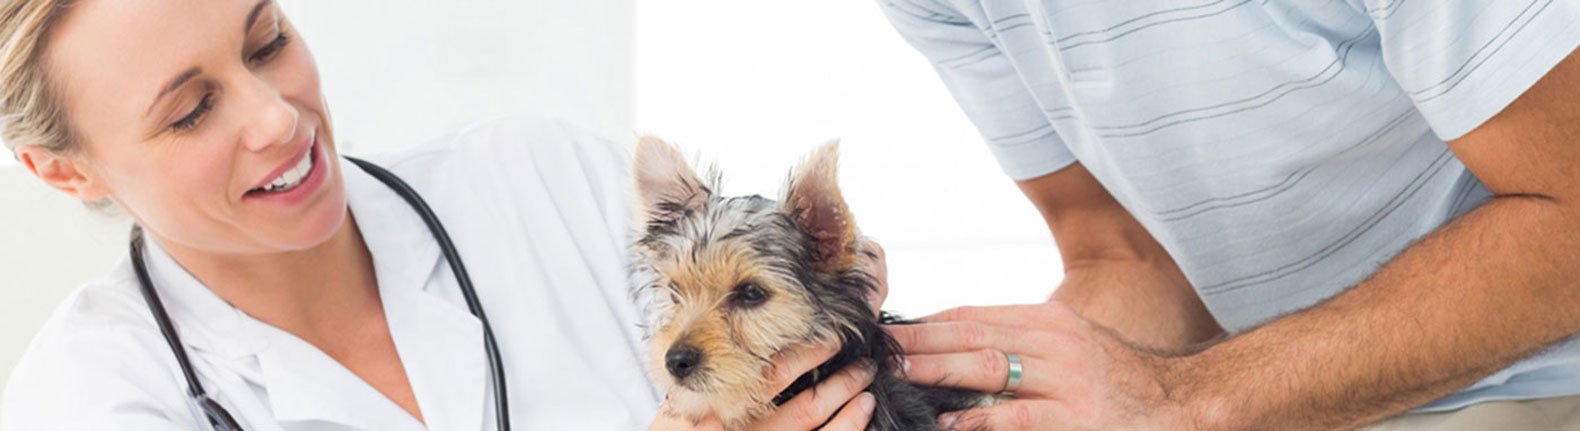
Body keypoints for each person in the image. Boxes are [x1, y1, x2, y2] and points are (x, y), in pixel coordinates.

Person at [0, 0, 880, 429]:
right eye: (191, 111)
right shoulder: (89, 397)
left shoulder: (537, 179)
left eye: (267, 41)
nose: (277, 117)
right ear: (60, 169)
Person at [876, 0, 1580, 429]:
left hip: (1527, 382)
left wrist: (1183, 400)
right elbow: (1127, 257)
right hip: (1268, 397)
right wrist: (920, 401)